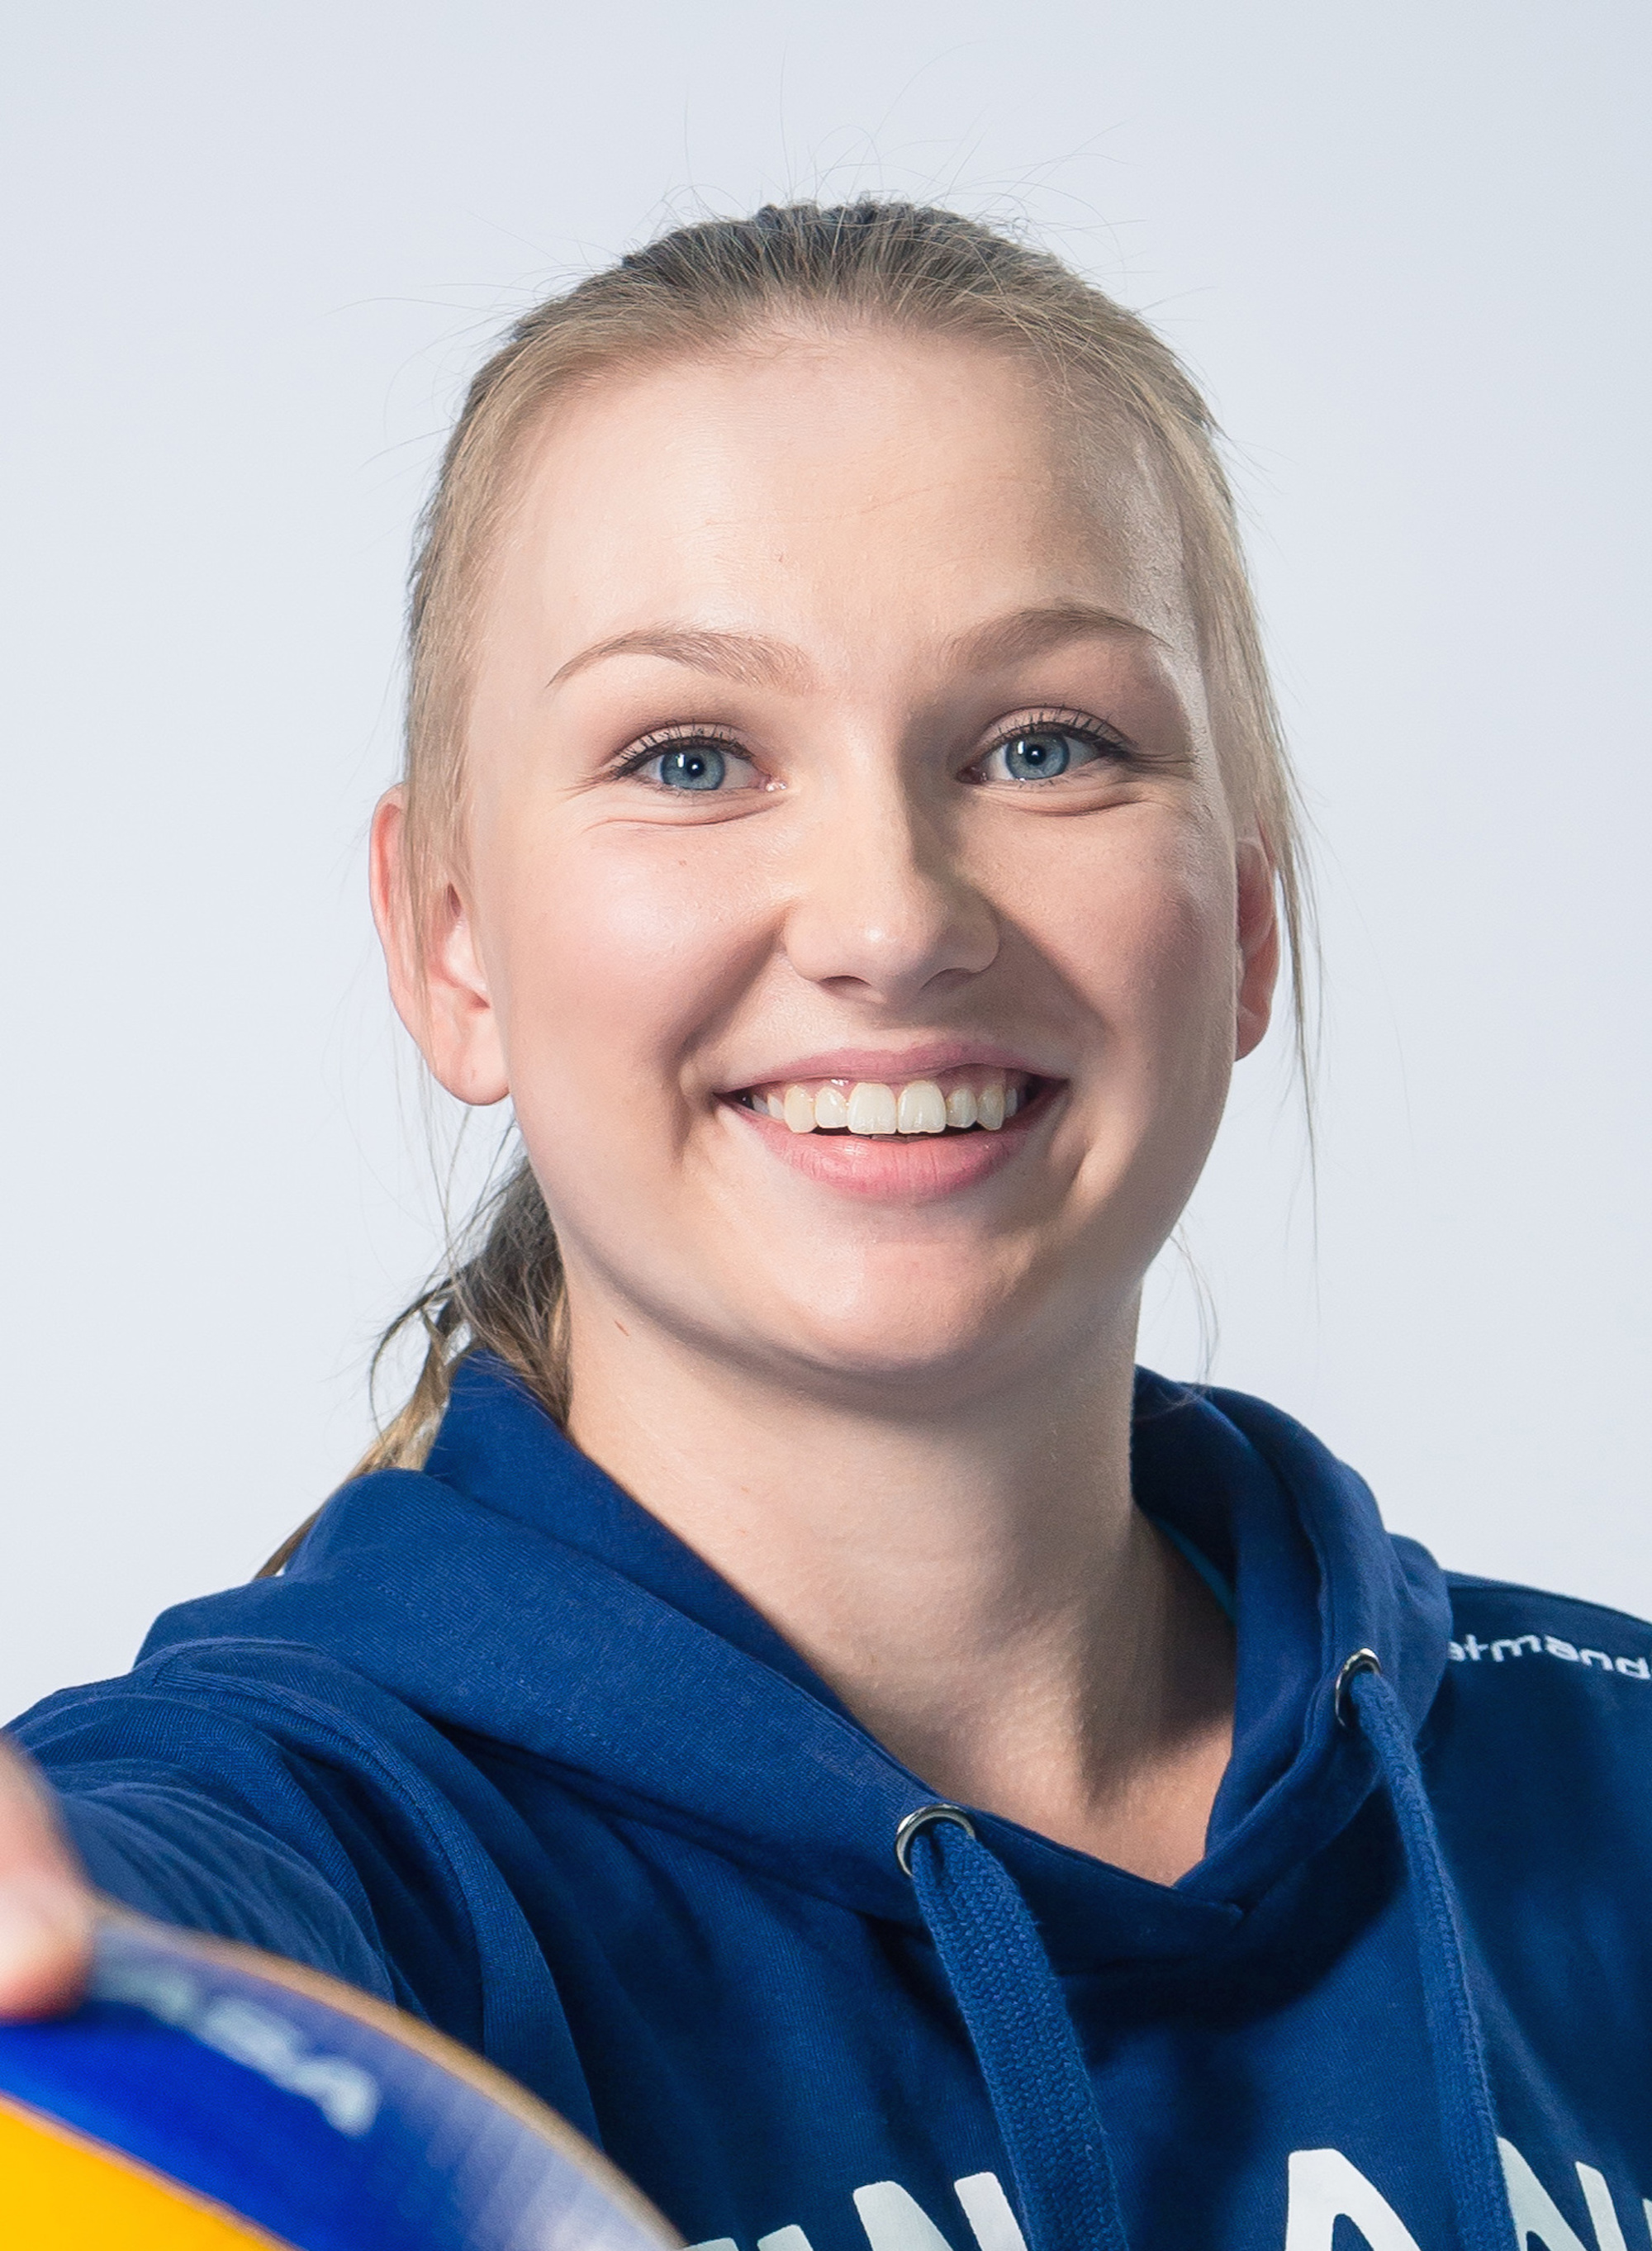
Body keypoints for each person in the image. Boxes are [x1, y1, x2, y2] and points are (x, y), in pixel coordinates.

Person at [0, 200, 1645, 2251]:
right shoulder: (323, 1843)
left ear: (1241, 918)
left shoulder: (1606, 1775)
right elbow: (136, 1904)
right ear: (450, 940)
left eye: (1042, 746)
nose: (890, 920)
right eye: (691, 758)